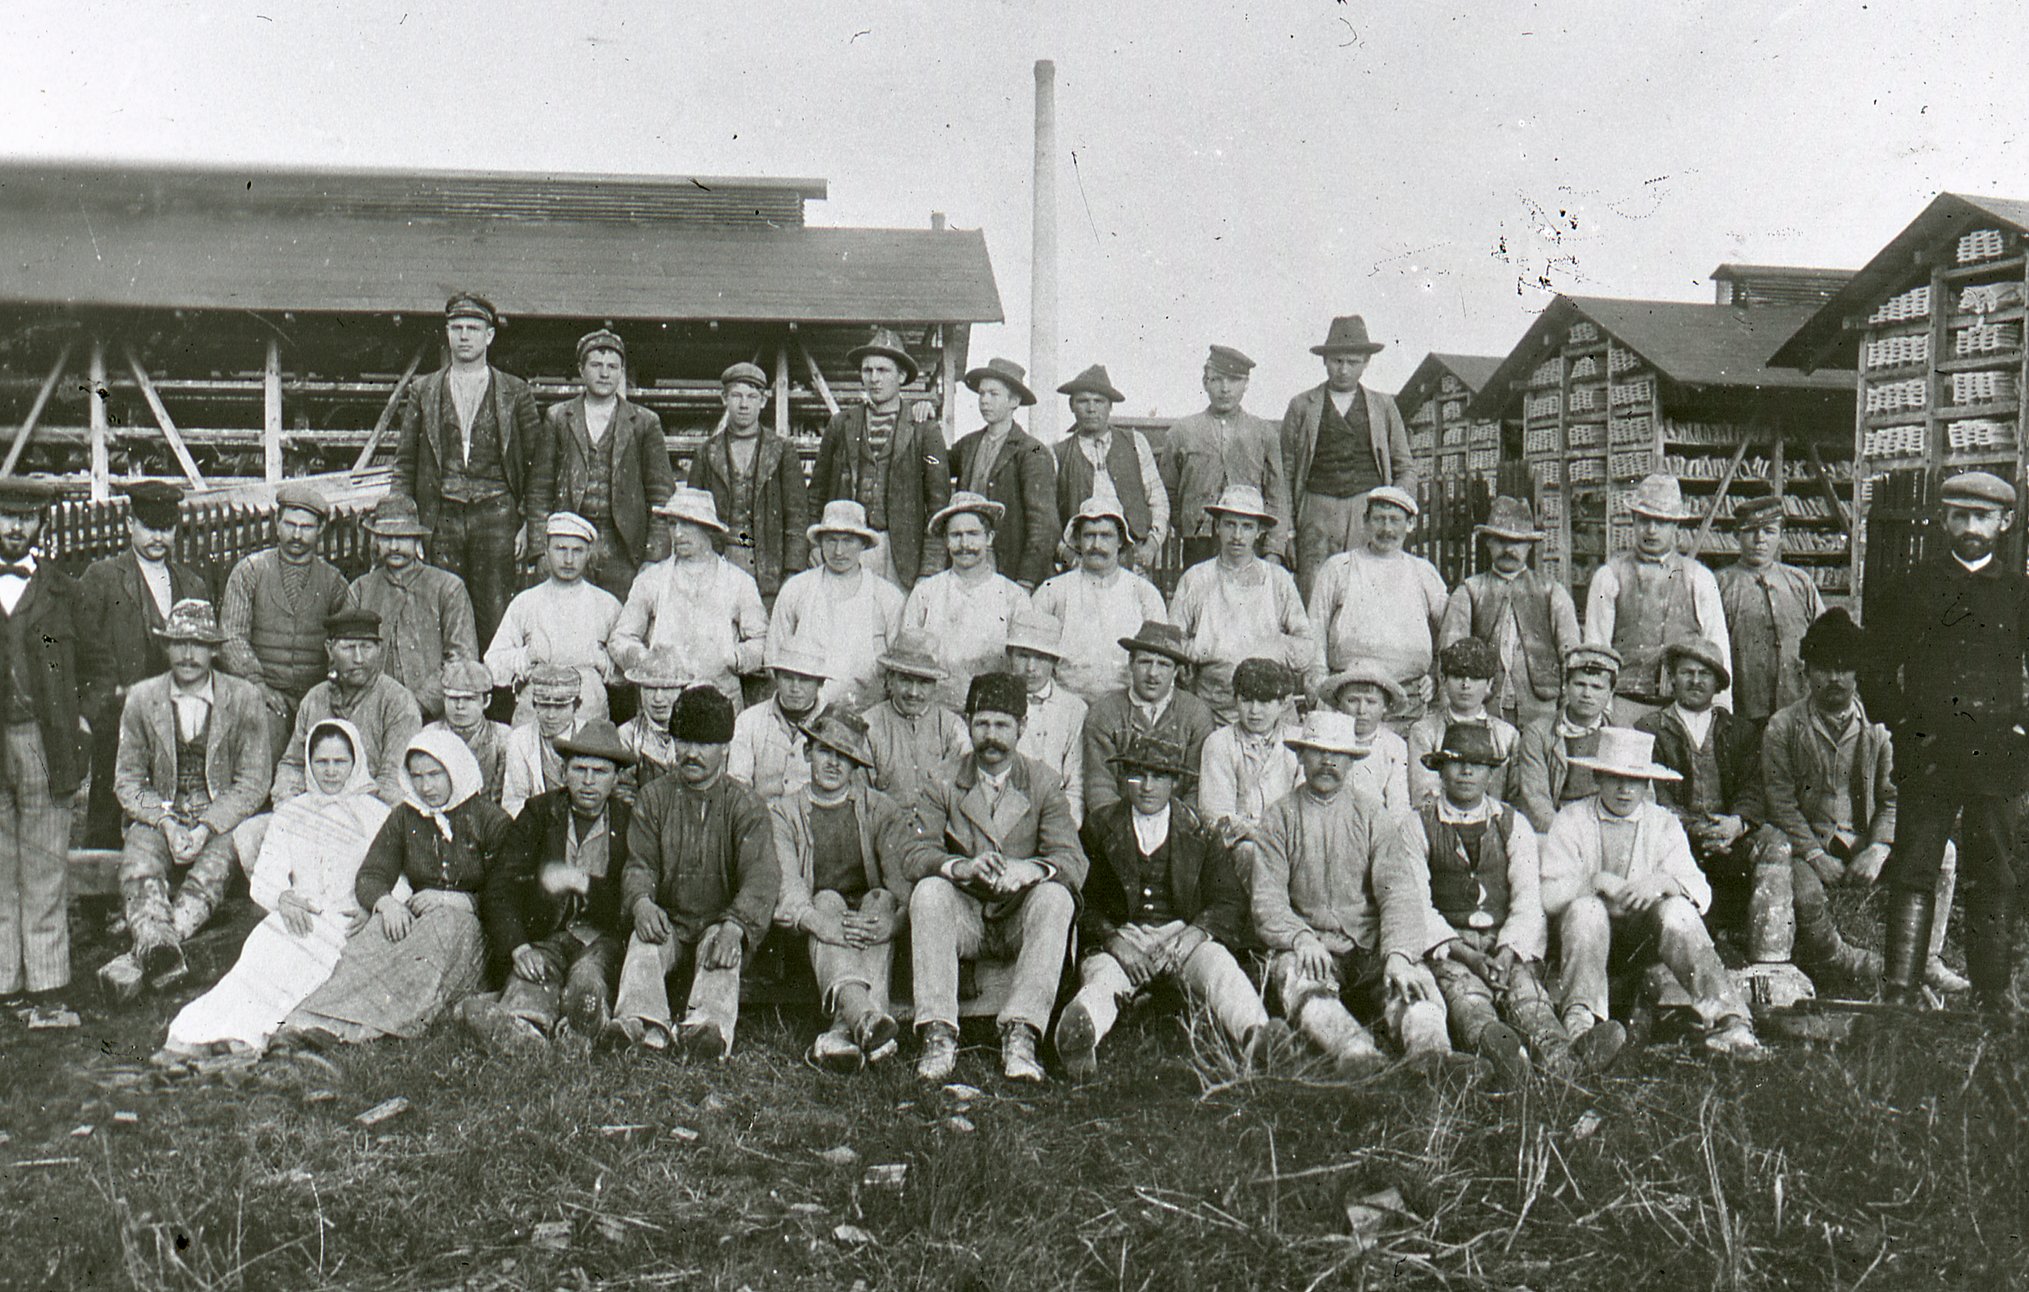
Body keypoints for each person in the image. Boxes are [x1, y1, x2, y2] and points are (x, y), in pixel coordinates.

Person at [1864, 470, 2029, 1012]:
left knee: (1995, 870)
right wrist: (1905, 726)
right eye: (1960, 516)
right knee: (1916, 864)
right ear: (1944, 520)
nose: (1971, 528)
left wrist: (2021, 727)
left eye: (1982, 517)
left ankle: (1992, 992)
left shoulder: (2017, 591)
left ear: (2004, 523)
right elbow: (1876, 667)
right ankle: (1902, 989)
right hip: (1930, 752)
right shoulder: (1914, 585)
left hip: (1996, 754)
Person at [1762, 610, 1964, 997]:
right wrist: (1815, 856)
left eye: (1845, 668)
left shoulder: (1880, 729)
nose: (1835, 679)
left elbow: (1893, 796)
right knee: (1802, 892)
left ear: (1858, 673)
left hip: (1863, 842)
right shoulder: (1783, 726)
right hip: (1807, 848)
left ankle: (1928, 959)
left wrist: (1879, 847)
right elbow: (1780, 802)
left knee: (1945, 853)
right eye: (1824, 668)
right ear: (1807, 672)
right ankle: (1828, 963)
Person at [158, 719, 388, 1058]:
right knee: (258, 963)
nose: (331, 772)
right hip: (296, 914)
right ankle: (206, 1032)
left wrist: (374, 906)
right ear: (309, 763)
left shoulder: (376, 815)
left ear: (356, 763)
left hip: (346, 923)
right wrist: (283, 897)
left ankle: (247, 1035)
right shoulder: (293, 813)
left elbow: (396, 878)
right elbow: (267, 874)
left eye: (340, 762)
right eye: (322, 762)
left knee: (300, 972)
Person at [1055, 733, 1277, 1079]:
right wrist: (1116, 943)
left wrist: (1193, 934)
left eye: (1158, 776)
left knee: (1220, 967)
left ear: (1174, 781)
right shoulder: (1099, 827)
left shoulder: (1199, 830)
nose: (1146, 786)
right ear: (1122, 777)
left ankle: (1256, 1033)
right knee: (1102, 982)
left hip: (1180, 936)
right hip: (1122, 938)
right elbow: (1084, 901)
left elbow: (1228, 900)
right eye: (1137, 774)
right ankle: (1079, 1034)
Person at [277, 729, 515, 1047]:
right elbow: (372, 874)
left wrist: (459, 900)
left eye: (435, 775)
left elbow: (511, 893)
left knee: (439, 931)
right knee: (375, 934)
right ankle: (317, 1020)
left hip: (472, 926)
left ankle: (365, 1029)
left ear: (456, 771)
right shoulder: (405, 816)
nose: (425, 786)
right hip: (419, 916)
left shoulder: (491, 820)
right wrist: (386, 903)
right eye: (417, 776)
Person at [1538, 728, 1761, 1057]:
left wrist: (1661, 882)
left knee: (1678, 910)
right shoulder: (1571, 819)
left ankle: (1730, 1019)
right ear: (1598, 777)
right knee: (1587, 909)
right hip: (1583, 943)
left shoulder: (1662, 823)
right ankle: (1581, 1023)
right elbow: (1549, 894)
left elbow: (1700, 891)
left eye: (1635, 781)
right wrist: (1594, 881)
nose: (1625, 790)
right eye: (1615, 778)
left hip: (1642, 944)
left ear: (1647, 784)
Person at [908, 672, 1086, 1084]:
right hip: (966, 914)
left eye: (1002, 725)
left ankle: (1022, 1032)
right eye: (982, 723)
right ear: (967, 723)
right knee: (929, 891)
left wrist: (1031, 870)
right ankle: (938, 1031)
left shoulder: (1042, 782)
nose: (991, 736)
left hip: (1016, 918)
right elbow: (914, 852)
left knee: (1056, 897)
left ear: (1022, 727)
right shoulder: (943, 779)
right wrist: (960, 867)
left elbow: (1072, 859)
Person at [1250, 711, 1451, 1070]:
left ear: (1352, 760)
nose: (1328, 762)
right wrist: (1300, 938)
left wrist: (1399, 955)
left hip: (1369, 945)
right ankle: (1356, 1055)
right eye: (1317, 752)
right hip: (1313, 947)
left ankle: (1432, 1059)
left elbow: (1399, 893)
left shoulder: (1372, 815)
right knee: (1302, 983)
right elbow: (1267, 900)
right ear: (1300, 756)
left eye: (1338, 754)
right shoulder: (1279, 817)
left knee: (1415, 986)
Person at [100, 599, 273, 999]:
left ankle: (149, 951)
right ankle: (159, 948)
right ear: (167, 647)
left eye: (199, 644)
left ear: (215, 649)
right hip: (163, 812)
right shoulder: (143, 697)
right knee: (139, 859)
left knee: (215, 864)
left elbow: (253, 781)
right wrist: (164, 820)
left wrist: (208, 825)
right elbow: (127, 780)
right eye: (179, 643)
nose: (189, 654)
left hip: (221, 817)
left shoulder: (243, 697)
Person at [1402, 724, 1593, 1081]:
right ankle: (1503, 1058)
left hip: (1502, 939)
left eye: (1477, 765)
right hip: (1451, 946)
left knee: (1528, 997)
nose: (1466, 772)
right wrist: (1465, 954)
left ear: (1492, 773)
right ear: (1440, 769)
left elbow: (1526, 897)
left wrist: (1506, 952)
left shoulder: (1511, 823)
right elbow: (1416, 902)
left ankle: (1563, 1059)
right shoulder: (1418, 825)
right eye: (1456, 763)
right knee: (1468, 998)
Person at [610, 686, 780, 1058]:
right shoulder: (653, 797)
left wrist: (736, 927)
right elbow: (639, 863)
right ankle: (641, 1022)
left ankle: (707, 1030)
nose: (691, 753)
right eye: (683, 741)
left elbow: (761, 877)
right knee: (645, 941)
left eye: (704, 744)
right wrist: (641, 903)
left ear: (725, 748)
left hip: (720, 922)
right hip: (668, 919)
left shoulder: (745, 805)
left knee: (722, 954)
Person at [770, 706, 940, 1071]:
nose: (833, 764)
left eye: (845, 758)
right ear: (807, 753)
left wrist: (892, 923)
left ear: (856, 767)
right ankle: (866, 1015)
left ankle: (843, 1034)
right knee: (827, 898)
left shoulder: (880, 809)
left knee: (880, 898)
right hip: (814, 935)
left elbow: (900, 881)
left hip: (867, 929)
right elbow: (789, 887)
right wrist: (820, 922)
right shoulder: (784, 813)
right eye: (825, 752)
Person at [461, 720, 637, 1051]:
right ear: (563, 771)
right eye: (579, 769)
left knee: (588, 980)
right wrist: (519, 947)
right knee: (532, 974)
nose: (588, 781)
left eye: (599, 772)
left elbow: (630, 897)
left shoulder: (629, 820)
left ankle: (579, 1031)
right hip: (547, 935)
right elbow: (501, 886)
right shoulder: (539, 813)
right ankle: (524, 1028)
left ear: (616, 778)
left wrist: (580, 881)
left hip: (601, 939)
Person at [391, 292, 553, 645]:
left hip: (497, 515)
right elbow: (404, 463)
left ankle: (494, 696)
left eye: (473, 328)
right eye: (457, 328)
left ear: (489, 336)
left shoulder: (515, 391)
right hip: (442, 516)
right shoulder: (424, 390)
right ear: (447, 333)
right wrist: (404, 527)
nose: (464, 336)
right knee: (442, 612)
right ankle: (450, 696)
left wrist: (529, 524)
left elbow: (537, 468)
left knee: (494, 616)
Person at [76, 480, 211, 848]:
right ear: (130, 524)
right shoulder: (102, 577)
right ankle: (98, 896)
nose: (158, 537)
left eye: (166, 528)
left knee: (171, 799)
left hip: (177, 708)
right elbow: (84, 648)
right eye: (149, 527)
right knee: (108, 799)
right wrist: (104, 698)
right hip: (119, 711)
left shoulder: (192, 583)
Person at [0, 476, 83, 1020]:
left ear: (41, 524)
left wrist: (82, 721)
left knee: (45, 860)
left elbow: (97, 667)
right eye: (5, 517)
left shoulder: (62, 590)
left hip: (43, 739)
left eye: (26, 518)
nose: (14, 528)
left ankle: (48, 984)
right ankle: (5, 979)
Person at [1635, 637, 1782, 931]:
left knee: (1776, 845)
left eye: (1705, 674)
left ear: (1718, 684)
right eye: (1687, 672)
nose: (1695, 681)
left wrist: (1736, 824)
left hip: (1730, 834)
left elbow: (1754, 786)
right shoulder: (1650, 729)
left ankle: (1767, 944)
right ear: (1673, 680)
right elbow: (1654, 794)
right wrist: (1693, 827)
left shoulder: (1740, 731)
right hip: (1675, 834)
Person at [1280, 316, 1418, 597]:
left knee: (1365, 592)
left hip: (1366, 513)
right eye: (1336, 361)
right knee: (1316, 593)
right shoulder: (1301, 406)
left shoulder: (1384, 406)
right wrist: (1287, 532)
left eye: (1352, 362)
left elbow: (1405, 467)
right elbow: (1285, 474)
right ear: (1324, 360)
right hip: (1316, 512)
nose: (1343, 369)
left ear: (1366, 362)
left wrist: (1392, 509)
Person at [1583, 473, 1730, 724]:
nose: (1651, 530)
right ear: (1633, 521)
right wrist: (1602, 713)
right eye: (1644, 520)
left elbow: (1717, 649)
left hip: (1684, 709)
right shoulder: (1609, 576)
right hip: (1626, 705)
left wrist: (1721, 712)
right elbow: (1597, 650)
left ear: (1676, 526)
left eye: (1661, 522)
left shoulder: (1699, 577)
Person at [809, 328, 950, 589]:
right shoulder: (842, 425)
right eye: (867, 370)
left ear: (902, 375)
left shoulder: (923, 429)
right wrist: (815, 545)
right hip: (849, 548)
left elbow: (938, 505)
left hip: (902, 555)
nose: (874, 378)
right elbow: (816, 492)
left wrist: (929, 569)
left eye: (883, 370)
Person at [218, 481, 349, 758]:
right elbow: (232, 637)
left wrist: (328, 690)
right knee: (260, 754)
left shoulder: (334, 582)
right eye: (290, 525)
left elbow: (345, 644)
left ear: (321, 529)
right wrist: (257, 684)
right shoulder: (250, 572)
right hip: (261, 694)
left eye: (306, 527)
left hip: (317, 695)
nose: (297, 535)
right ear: (277, 523)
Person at [543, 328, 675, 601]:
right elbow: (539, 487)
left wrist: (653, 555)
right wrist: (539, 549)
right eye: (596, 365)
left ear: (621, 371)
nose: (605, 373)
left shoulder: (644, 422)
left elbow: (661, 492)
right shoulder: (558, 418)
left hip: (624, 549)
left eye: (613, 367)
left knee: (621, 626)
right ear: (581, 369)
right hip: (571, 543)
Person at [1168, 484, 1318, 721]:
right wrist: (1205, 649)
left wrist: (1269, 649)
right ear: (1217, 526)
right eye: (1230, 524)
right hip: (1212, 708)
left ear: (1259, 532)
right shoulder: (1196, 578)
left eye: (1247, 527)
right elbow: (1172, 640)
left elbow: (1306, 645)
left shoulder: (1278, 579)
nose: (1237, 536)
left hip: (1270, 708)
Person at [609, 487, 767, 706]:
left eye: (687, 523)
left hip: (720, 701)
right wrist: (644, 660)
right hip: (663, 700)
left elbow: (762, 639)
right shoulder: (652, 579)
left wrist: (737, 658)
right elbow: (620, 638)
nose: (678, 534)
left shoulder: (738, 582)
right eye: (672, 524)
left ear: (708, 528)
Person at [1308, 486, 1448, 730]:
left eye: (1395, 520)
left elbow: (1451, 628)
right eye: (1379, 519)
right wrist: (1319, 682)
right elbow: (1315, 628)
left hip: (1409, 699)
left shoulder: (1423, 572)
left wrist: (1437, 674)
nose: (1387, 529)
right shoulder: (1338, 567)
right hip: (1349, 697)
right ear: (1365, 522)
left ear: (1410, 525)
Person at [1439, 495, 1581, 731]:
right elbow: (1450, 654)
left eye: (1517, 542)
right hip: (1483, 706)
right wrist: (1449, 708)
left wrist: (1568, 707)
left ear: (1529, 545)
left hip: (1541, 707)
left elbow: (1571, 653)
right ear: (1488, 542)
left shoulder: (1551, 591)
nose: (1508, 549)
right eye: (1501, 540)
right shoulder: (1470, 591)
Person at [346, 493, 479, 722]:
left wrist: (419, 704)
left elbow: (461, 659)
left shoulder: (448, 588)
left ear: (417, 540)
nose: (394, 546)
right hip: (374, 714)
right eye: (386, 538)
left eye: (403, 537)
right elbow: (346, 655)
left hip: (435, 717)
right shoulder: (360, 590)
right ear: (376, 541)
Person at [1158, 345, 1293, 569]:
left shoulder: (1263, 433)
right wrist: (1188, 526)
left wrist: (1274, 550)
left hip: (1250, 542)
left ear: (1246, 384)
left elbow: (1276, 496)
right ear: (1205, 382)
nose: (1225, 389)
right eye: (1217, 379)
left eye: (1234, 380)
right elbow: (1168, 492)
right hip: (1198, 544)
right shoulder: (1182, 432)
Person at [270, 608, 422, 808]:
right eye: (349, 647)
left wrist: (344, 816)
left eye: (366, 647)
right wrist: (288, 805)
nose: (358, 658)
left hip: (370, 814)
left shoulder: (398, 701)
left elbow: (392, 780)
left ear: (379, 649)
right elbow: (293, 764)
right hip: (314, 810)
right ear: (329, 649)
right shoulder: (315, 698)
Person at [686, 362, 810, 605]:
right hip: (719, 563)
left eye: (752, 397)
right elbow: (692, 516)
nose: (744, 404)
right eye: (737, 396)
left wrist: (793, 572)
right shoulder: (707, 452)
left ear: (763, 401)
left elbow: (797, 516)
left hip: (768, 566)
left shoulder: (782, 451)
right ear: (724, 399)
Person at [485, 511, 622, 724]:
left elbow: (627, 674)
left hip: (589, 717)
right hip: (536, 714)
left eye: (577, 551)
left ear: (588, 554)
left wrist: (603, 662)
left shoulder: (607, 604)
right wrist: (525, 657)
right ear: (546, 551)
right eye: (560, 549)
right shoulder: (526, 602)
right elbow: (493, 663)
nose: (568, 559)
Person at [769, 500, 907, 710]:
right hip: (806, 714)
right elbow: (774, 652)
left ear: (863, 543)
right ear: (821, 542)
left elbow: (898, 667)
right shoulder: (797, 589)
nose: (839, 551)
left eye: (848, 541)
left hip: (867, 710)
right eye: (831, 540)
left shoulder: (887, 596)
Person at [1030, 495, 1169, 704]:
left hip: (1127, 707)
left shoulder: (1144, 593)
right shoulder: (1053, 591)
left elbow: (1160, 661)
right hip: (1065, 704)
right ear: (1078, 539)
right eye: (1089, 535)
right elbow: (1032, 653)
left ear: (1120, 540)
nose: (1097, 544)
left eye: (1106, 536)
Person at [901, 492, 1029, 709]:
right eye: (956, 535)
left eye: (973, 534)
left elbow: (1023, 663)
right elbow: (909, 658)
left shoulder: (1012, 596)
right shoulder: (926, 592)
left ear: (989, 538)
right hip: (937, 709)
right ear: (946, 541)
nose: (964, 544)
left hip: (992, 711)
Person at [1715, 495, 1824, 750]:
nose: (1759, 539)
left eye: (1769, 531)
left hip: (1797, 708)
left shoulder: (1799, 583)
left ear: (1781, 536)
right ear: (1736, 536)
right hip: (1743, 712)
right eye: (1750, 531)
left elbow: (1824, 641)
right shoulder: (1720, 584)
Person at [1082, 620, 1218, 821]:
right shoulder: (1104, 712)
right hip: (1119, 826)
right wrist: (1121, 831)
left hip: (1176, 828)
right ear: (1130, 663)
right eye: (1145, 662)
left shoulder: (1196, 714)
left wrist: (1174, 830)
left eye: (1163, 664)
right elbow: (1100, 785)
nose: (1153, 673)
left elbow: (1195, 787)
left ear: (1176, 671)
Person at [949, 357, 1057, 591]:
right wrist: (927, 424)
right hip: (968, 559)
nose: (984, 401)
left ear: (1014, 401)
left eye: (993, 394)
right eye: (981, 394)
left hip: (1009, 567)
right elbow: (934, 463)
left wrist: (1026, 579)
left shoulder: (1031, 451)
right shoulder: (968, 445)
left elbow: (1043, 524)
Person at [1051, 365, 1168, 570]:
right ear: (1071, 406)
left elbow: (1157, 499)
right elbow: (1048, 518)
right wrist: (1066, 554)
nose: (1091, 408)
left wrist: (1152, 544)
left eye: (1099, 401)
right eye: (1083, 401)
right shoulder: (1057, 453)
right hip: (1081, 561)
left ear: (1110, 406)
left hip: (1134, 559)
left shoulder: (1135, 443)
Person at [860, 633, 970, 826]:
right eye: (905, 680)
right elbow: (861, 798)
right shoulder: (868, 726)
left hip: (941, 838)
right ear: (890, 679)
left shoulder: (952, 727)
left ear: (935, 685)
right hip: (885, 835)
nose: (913, 692)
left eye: (923, 682)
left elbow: (962, 797)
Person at [1511, 646, 1621, 835]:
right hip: (1557, 829)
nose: (1587, 694)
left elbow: (1642, 798)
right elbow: (1535, 801)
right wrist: (1568, 838)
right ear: (1565, 686)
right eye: (1579, 684)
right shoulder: (1539, 732)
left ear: (1610, 693)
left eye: (1597, 687)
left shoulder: (1621, 735)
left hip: (1607, 829)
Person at [1198, 658, 1303, 846]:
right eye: (1246, 700)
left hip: (1290, 842)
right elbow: (1216, 814)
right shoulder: (1219, 743)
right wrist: (1257, 835)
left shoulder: (1299, 742)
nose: (1254, 711)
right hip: (1238, 845)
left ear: (1282, 703)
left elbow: (1305, 808)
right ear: (1235, 700)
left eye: (1264, 702)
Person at [1406, 638, 1520, 809]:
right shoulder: (1425, 731)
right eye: (1458, 676)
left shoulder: (1507, 735)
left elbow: (1514, 796)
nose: (1466, 685)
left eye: (1475, 678)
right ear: (1443, 679)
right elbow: (1424, 795)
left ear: (1489, 684)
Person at [1004, 607, 1088, 827]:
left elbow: (1076, 782)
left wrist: (1063, 829)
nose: (1031, 668)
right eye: (1023, 656)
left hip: (1058, 817)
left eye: (1041, 658)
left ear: (1055, 661)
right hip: (1005, 819)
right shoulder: (994, 704)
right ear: (1010, 655)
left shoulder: (1074, 709)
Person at [728, 639, 828, 803]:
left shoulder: (831, 723)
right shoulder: (749, 721)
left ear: (820, 682)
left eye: (804, 679)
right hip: (762, 820)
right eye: (788, 678)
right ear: (776, 677)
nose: (795, 688)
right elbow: (738, 785)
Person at [1318, 664, 1411, 814]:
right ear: (1340, 704)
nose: (1361, 710)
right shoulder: (1325, 740)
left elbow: (1398, 803)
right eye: (1353, 700)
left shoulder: (1394, 746)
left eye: (1371, 702)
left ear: (1385, 706)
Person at [502, 665, 584, 818]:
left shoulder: (588, 734)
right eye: (544, 706)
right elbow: (513, 801)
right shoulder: (519, 739)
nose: (551, 715)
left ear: (576, 706)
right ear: (534, 705)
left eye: (560, 707)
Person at [426, 660, 509, 805]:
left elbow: (503, 795)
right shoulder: (430, 735)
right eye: (453, 698)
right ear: (444, 699)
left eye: (469, 699)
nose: (460, 706)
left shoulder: (502, 737)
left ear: (486, 701)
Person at [616, 648, 684, 795]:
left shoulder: (695, 734)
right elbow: (622, 791)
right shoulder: (627, 735)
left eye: (667, 688)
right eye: (649, 688)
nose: (658, 698)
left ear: (681, 690)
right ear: (639, 690)